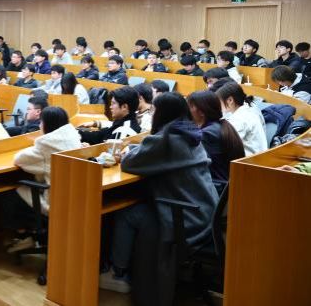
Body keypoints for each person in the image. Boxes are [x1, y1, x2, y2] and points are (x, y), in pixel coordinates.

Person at [100, 92, 217, 294]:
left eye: (154, 110)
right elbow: (152, 151)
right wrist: (137, 148)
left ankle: (118, 273)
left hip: (186, 219)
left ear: (163, 113)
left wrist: (128, 152)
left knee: (126, 213)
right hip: (205, 213)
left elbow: (129, 163)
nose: (151, 114)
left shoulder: (167, 139)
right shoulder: (190, 133)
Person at [1, 106, 82, 253]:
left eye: (41, 122)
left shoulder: (46, 144)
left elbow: (19, 159)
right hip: (73, 200)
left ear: (47, 124)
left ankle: (25, 236)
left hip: (54, 202)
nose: (39, 125)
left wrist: (35, 145)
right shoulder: (73, 138)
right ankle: (31, 236)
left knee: (10, 192)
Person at [187, 90, 245, 182]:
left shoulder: (207, 134)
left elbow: (197, 168)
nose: (187, 111)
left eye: (190, 107)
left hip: (216, 186)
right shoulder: (221, 125)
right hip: (226, 183)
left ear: (202, 112)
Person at [215, 82, 267, 156]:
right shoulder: (245, 111)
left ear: (230, 100)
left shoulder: (241, 118)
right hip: (255, 156)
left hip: (250, 159)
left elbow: (227, 144)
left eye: (219, 102)